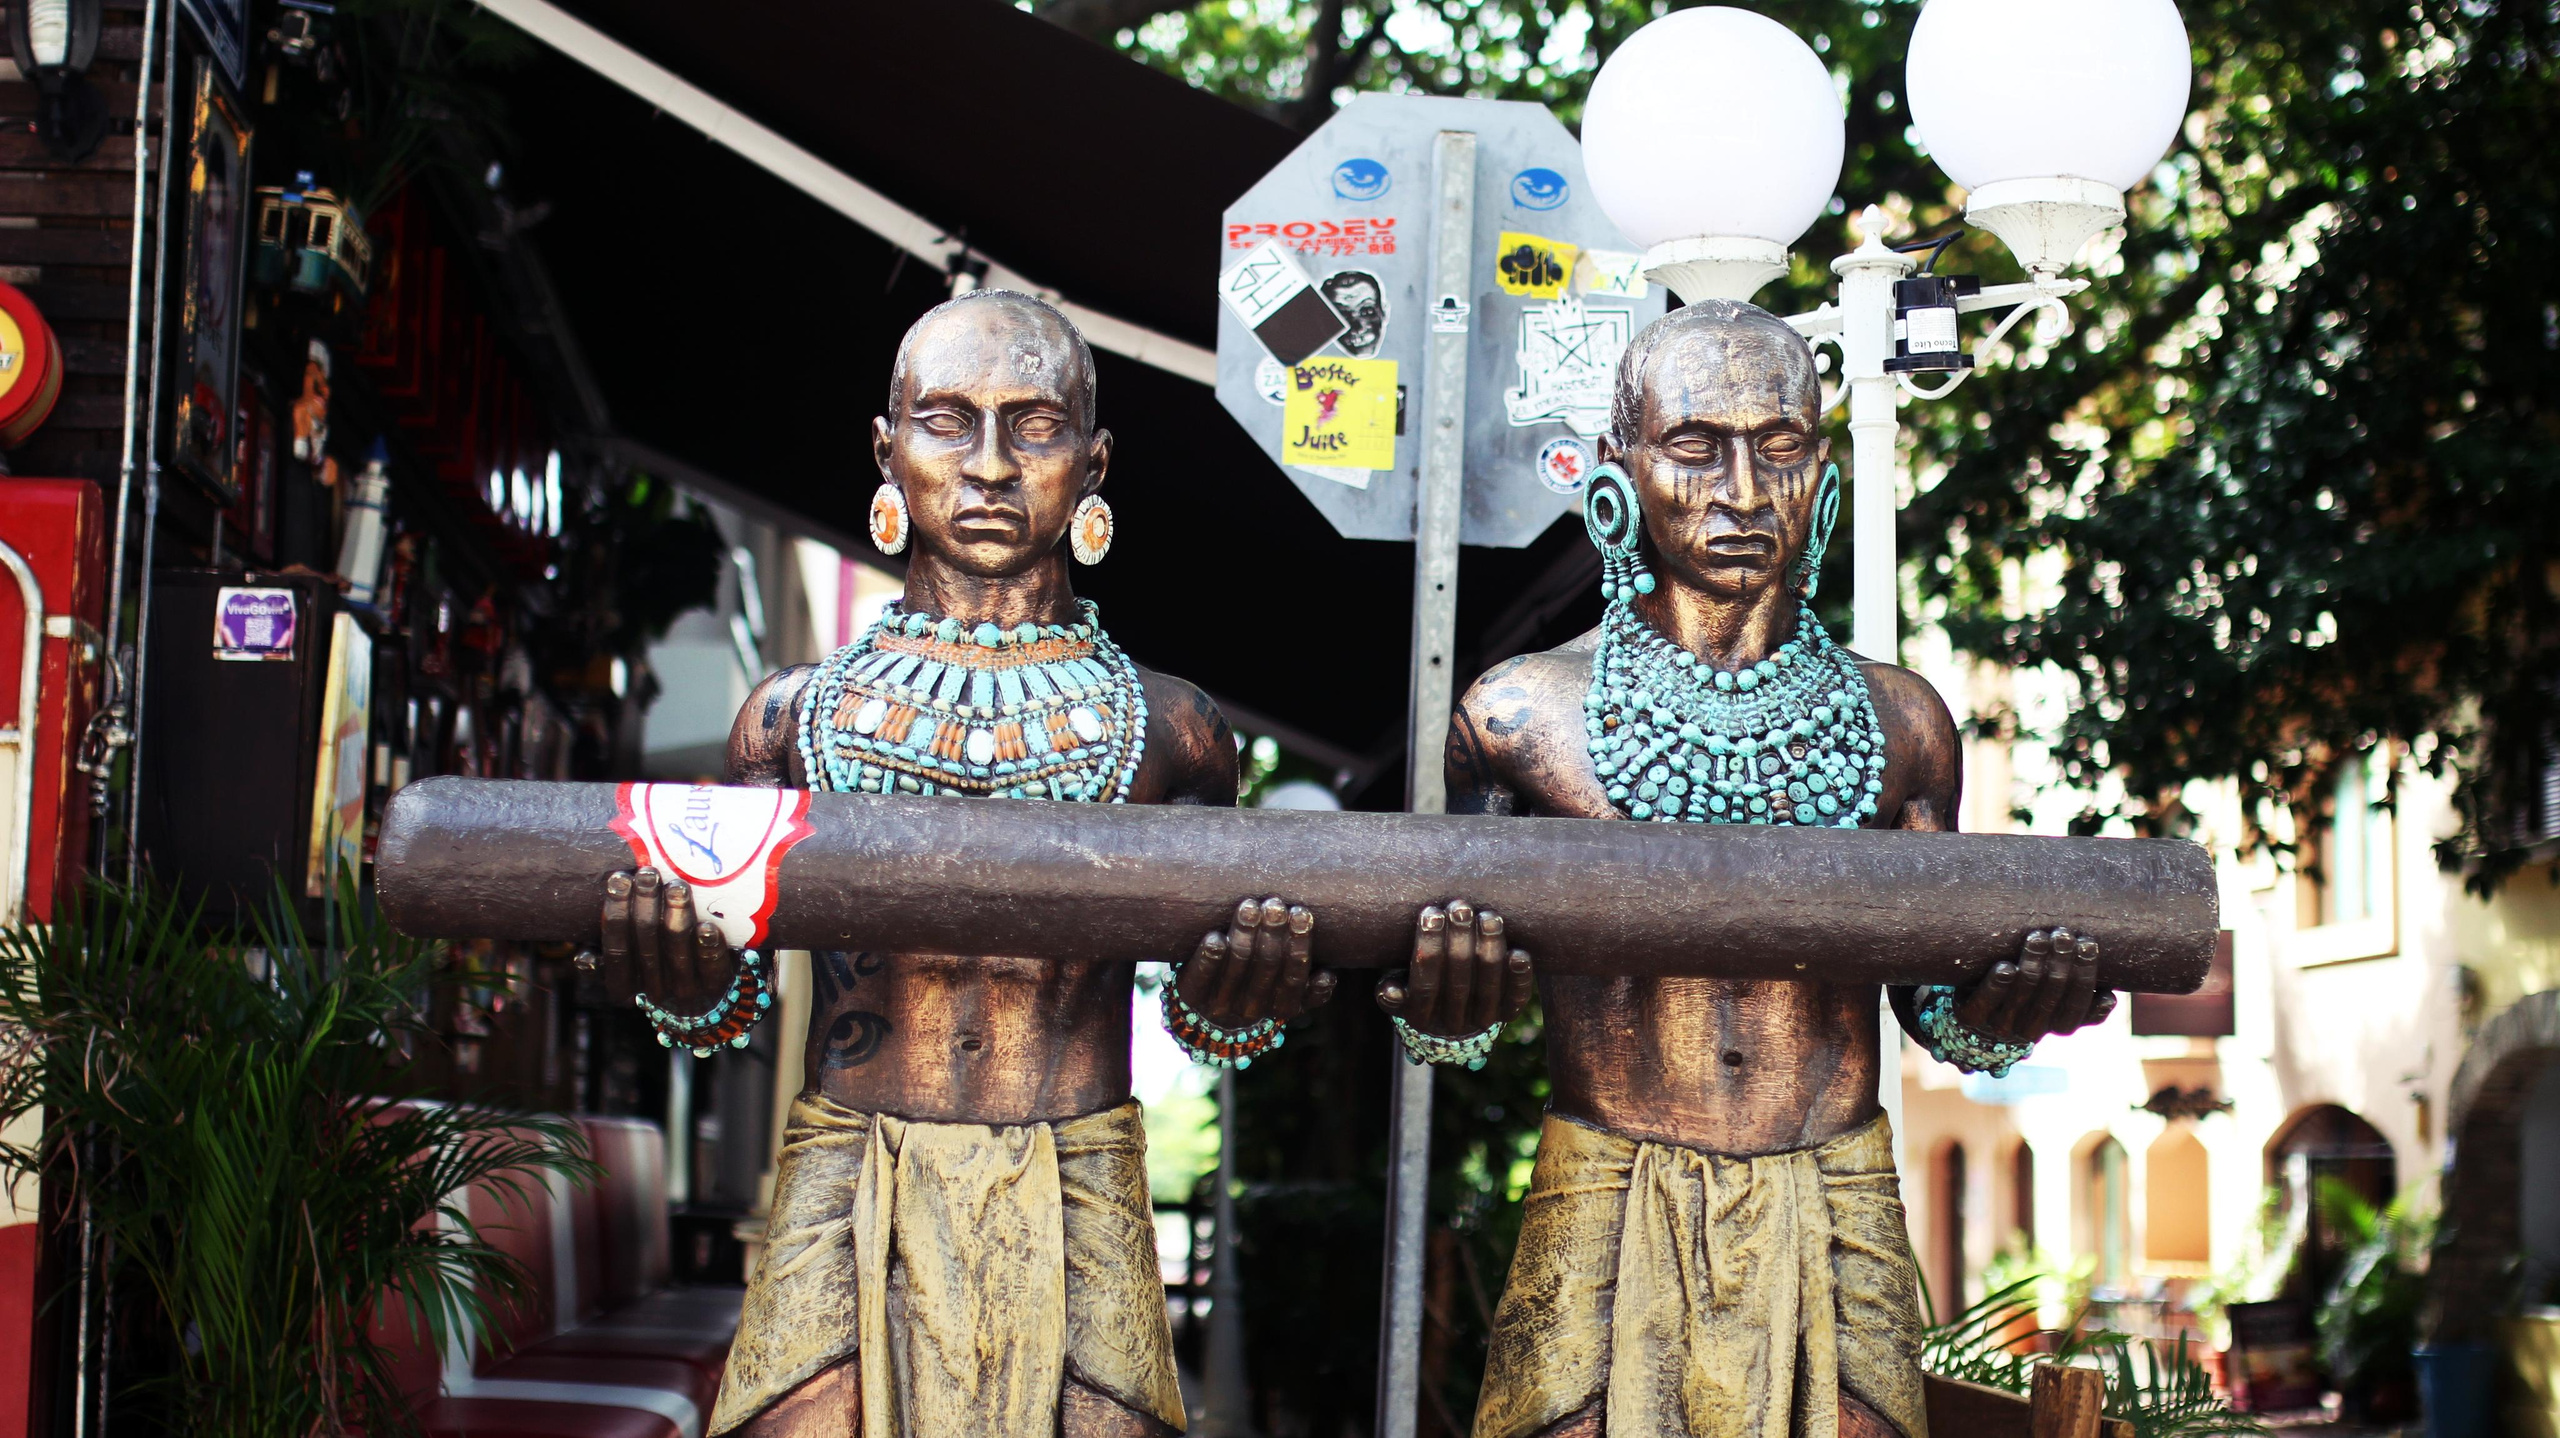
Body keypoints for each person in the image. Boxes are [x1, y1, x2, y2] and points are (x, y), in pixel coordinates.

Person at [595, 291, 1358, 1437]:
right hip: (847, 1182)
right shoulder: (792, 718)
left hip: (1077, 1186)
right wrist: (685, 975)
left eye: (1035, 425)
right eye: (947, 421)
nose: (991, 464)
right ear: (886, 451)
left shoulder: (1173, 732)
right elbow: (730, 994)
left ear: (1094, 463)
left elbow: (1205, 1011)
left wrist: (1236, 995)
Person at [1416, 300, 2117, 1438]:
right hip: (1608, 1192)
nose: (1742, 491)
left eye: (1779, 446)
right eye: (1696, 447)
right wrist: (1447, 1003)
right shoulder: (1521, 714)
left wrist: (2005, 1010)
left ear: (1821, 476)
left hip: (1834, 1196)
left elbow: (1931, 1000)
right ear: (1619, 473)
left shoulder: (1903, 724)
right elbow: (1450, 1004)